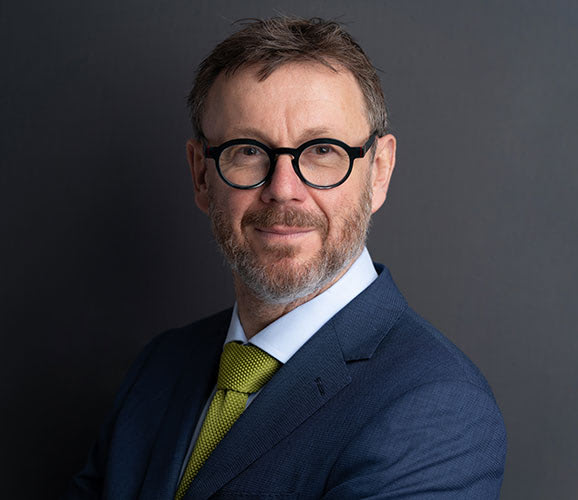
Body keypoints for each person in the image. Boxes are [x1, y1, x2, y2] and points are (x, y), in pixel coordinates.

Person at [65, 16, 506, 499]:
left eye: (322, 150)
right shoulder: (160, 367)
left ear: (378, 172)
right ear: (200, 175)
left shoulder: (436, 406)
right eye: (248, 151)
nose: (283, 189)